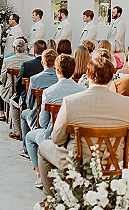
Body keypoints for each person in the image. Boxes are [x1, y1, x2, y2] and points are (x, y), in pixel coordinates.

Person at [38, 57, 129, 193]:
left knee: (43, 147)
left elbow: (57, 139)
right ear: (112, 76)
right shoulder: (128, 103)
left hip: (79, 164)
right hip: (115, 163)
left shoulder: (71, 102)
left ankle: (52, 197)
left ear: (88, 74)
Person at [24, 54, 86, 188]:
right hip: (75, 138)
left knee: (29, 137)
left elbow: (43, 121)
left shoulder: (49, 92)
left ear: (57, 71)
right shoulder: (83, 90)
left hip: (54, 135)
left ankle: (39, 175)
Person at [14, 49, 59, 141]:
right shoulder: (60, 78)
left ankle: (26, 147)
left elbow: (29, 102)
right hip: (57, 116)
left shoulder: (34, 79)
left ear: (42, 62)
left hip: (38, 115)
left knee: (24, 114)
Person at [8, 40, 47, 131]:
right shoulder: (52, 66)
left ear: (34, 51)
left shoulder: (27, 65)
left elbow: (18, 84)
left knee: (13, 102)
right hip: (47, 100)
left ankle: (17, 131)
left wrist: (19, 93)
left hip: (31, 99)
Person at [0, 39, 31, 121]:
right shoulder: (31, 60)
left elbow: (2, 78)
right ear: (25, 49)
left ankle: (2, 114)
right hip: (26, 91)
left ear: (14, 48)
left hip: (11, 91)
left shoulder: (7, 60)